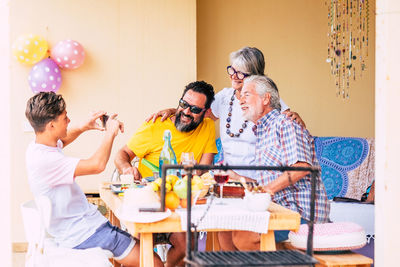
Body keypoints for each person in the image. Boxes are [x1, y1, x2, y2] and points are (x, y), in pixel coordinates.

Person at [25, 92, 163, 267]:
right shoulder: (47, 160)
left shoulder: (38, 146)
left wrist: (84, 126)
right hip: (84, 234)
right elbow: (97, 165)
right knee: (154, 262)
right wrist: (111, 133)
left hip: (80, 228)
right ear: (51, 125)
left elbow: (63, 140)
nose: (69, 121)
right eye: (65, 117)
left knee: (138, 242)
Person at [146, 47, 306, 180]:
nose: (234, 77)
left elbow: (293, 129)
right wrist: (174, 110)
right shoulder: (224, 97)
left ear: (256, 77)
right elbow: (200, 112)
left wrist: (295, 117)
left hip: (259, 183)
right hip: (230, 180)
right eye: (232, 70)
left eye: (241, 74)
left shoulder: (266, 100)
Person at [115, 80, 218, 267]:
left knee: (189, 244)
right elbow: (121, 155)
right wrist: (126, 168)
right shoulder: (155, 126)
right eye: (184, 104)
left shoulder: (208, 126)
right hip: (149, 203)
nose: (186, 111)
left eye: (194, 109)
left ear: (206, 112)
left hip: (179, 206)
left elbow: (204, 169)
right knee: (139, 248)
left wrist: (193, 172)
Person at [221, 75, 330, 251]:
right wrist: (236, 177)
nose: (241, 100)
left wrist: (266, 191)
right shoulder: (262, 132)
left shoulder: (285, 123)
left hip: (301, 215)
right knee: (224, 229)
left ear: (266, 98)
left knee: (245, 235)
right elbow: (267, 184)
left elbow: (301, 168)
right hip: (278, 210)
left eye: (247, 94)